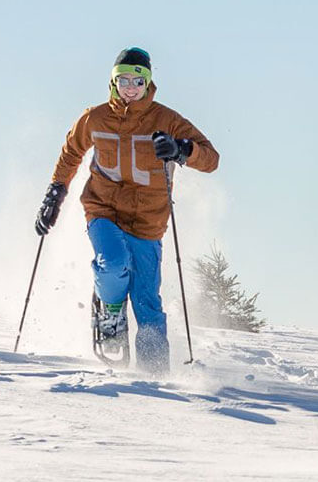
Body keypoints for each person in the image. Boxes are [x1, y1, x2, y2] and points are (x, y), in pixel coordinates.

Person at [34, 47, 219, 374]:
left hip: (148, 221)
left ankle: (154, 372)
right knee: (113, 263)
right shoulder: (95, 117)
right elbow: (71, 154)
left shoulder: (167, 120)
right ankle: (111, 313)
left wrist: (180, 150)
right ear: (113, 81)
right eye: (123, 79)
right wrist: (55, 195)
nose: (130, 86)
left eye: (138, 79)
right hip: (103, 209)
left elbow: (210, 158)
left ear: (148, 82)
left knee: (147, 301)